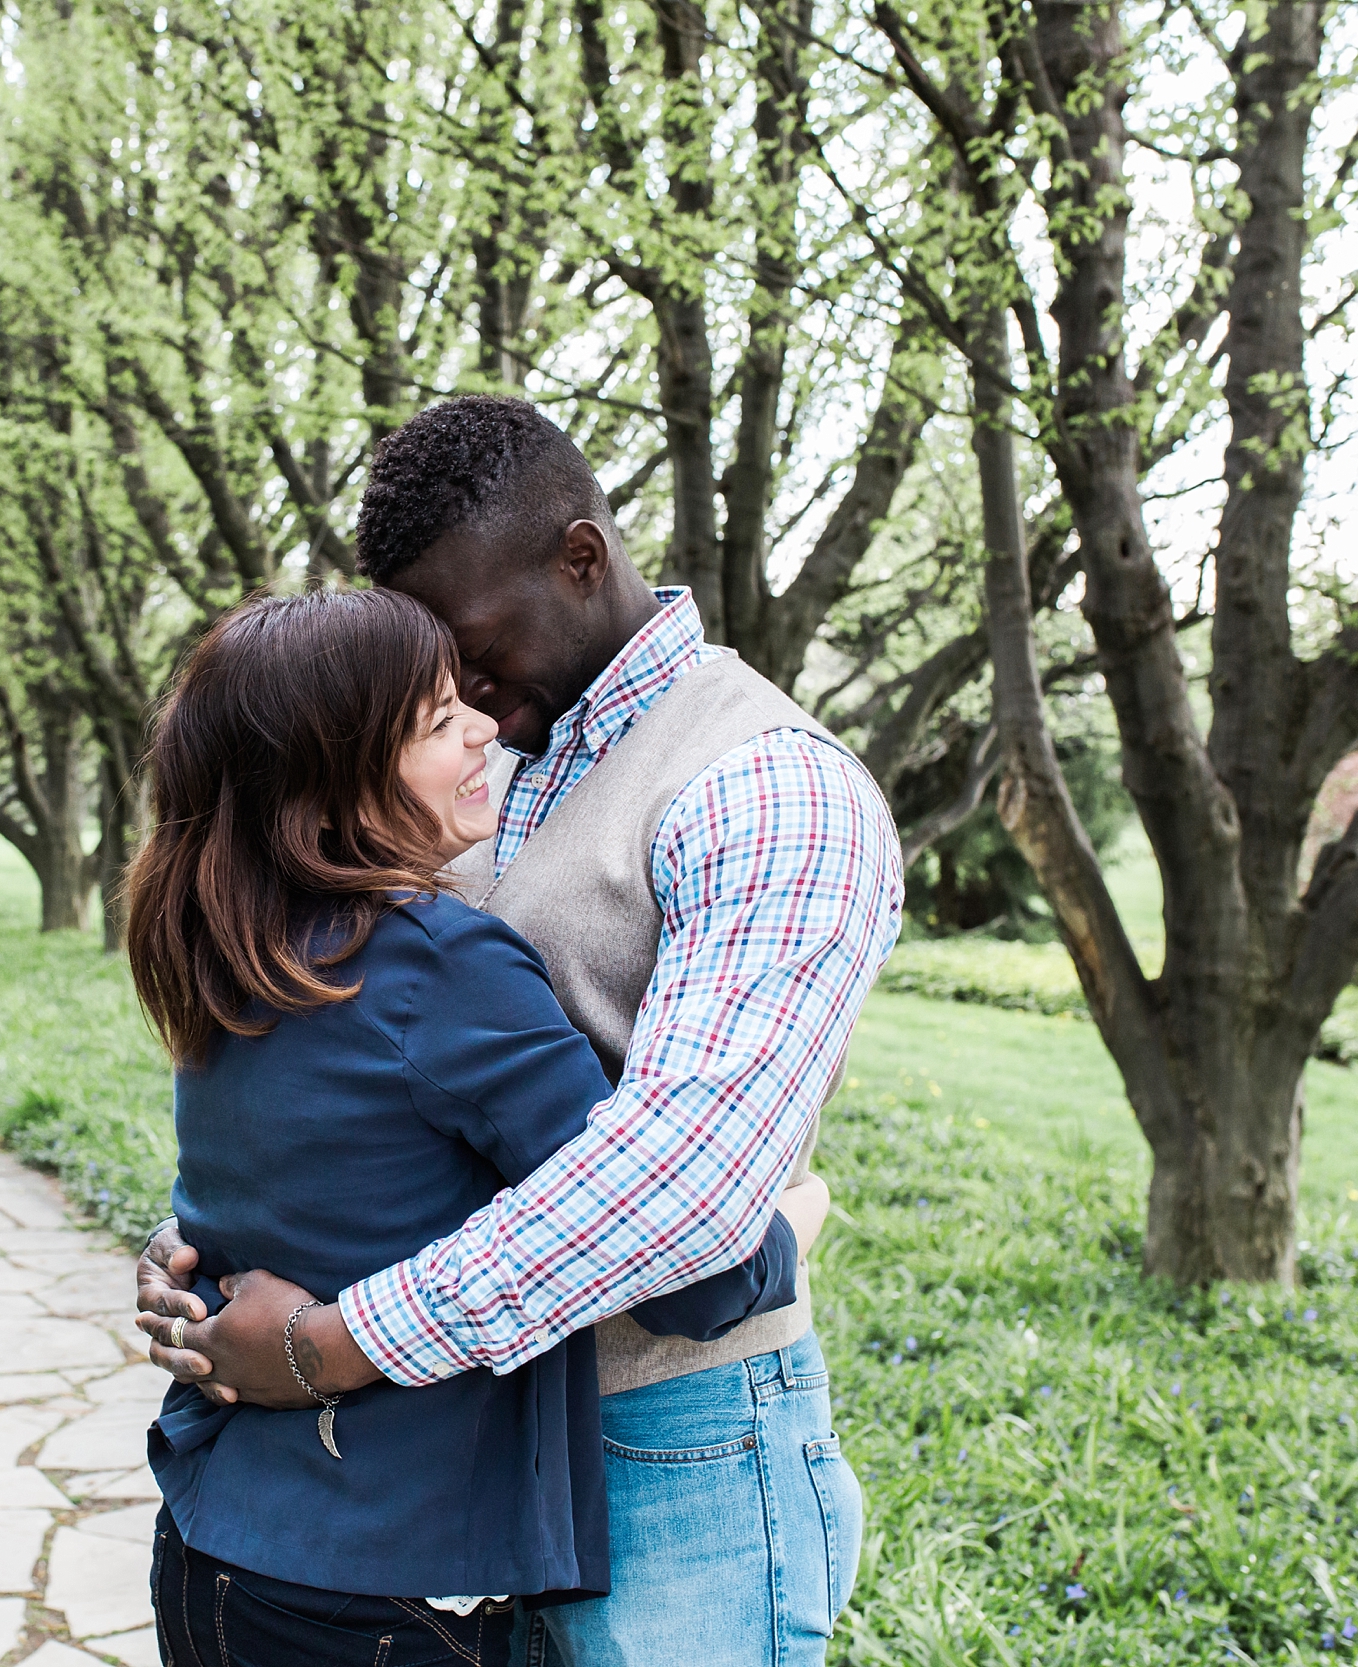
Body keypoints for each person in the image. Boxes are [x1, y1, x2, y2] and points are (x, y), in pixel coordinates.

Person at [139, 397, 906, 1665]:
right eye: (433, 683)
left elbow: (686, 1193)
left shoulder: (766, 783)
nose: (466, 704)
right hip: (444, 1469)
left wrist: (326, 1342)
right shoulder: (462, 776)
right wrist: (213, 1257)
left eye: (471, 653)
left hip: (666, 1439)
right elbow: (348, 1069)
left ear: (582, 557)